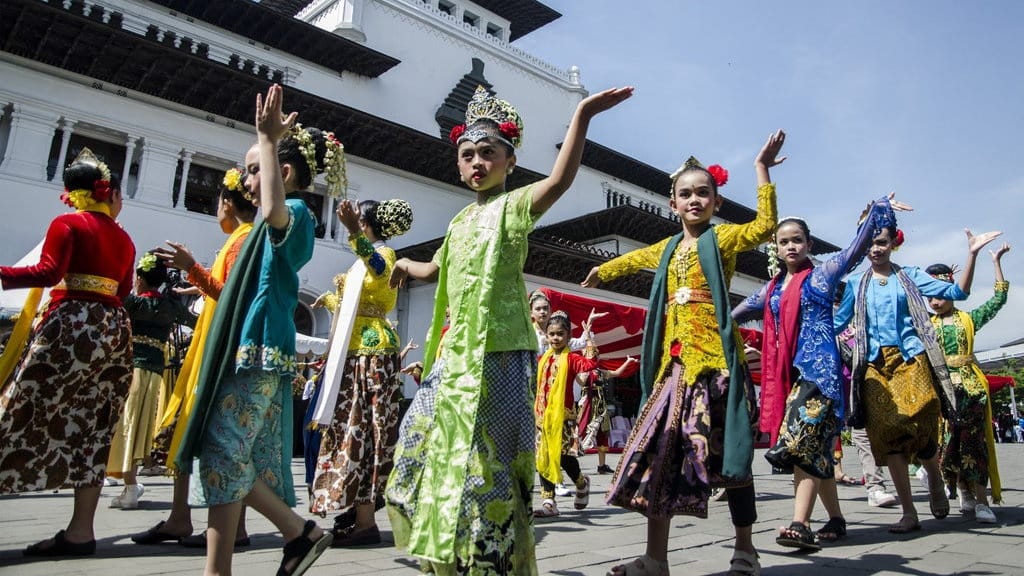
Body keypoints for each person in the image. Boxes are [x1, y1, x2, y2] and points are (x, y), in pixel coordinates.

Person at [385, 84, 632, 574]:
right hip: (454, 356)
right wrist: (402, 262)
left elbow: (560, 181)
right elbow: (435, 271)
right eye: (468, 154)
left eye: (488, 153)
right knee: (417, 445)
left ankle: (490, 560)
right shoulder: (458, 222)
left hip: (499, 351)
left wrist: (580, 116)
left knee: (487, 465)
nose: (477, 162)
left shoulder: (515, 206)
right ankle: (448, 548)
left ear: (510, 160)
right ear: (458, 164)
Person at [581, 130, 786, 576]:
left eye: (703, 193)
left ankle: (745, 549)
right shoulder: (668, 248)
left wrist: (762, 171)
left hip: (716, 368)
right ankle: (656, 559)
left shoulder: (724, 240)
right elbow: (633, 261)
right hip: (673, 371)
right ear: (672, 203)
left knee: (732, 461)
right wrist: (601, 269)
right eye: (685, 194)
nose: (694, 200)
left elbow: (764, 228)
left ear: (715, 201)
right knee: (660, 459)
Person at [174, 84, 344, 576]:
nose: (245, 181)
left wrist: (266, 141)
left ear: (282, 172)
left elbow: (272, 211)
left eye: (252, 170)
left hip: (261, 350)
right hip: (247, 349)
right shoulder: (257, 234)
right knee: (228, 455)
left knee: (223, 449)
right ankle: (220, 568)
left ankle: (298, 531)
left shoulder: (295, 216)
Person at [733, 195, 904, 552]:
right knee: (819, 451)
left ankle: (801, 524)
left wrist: (876, 210)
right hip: (790, 376)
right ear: (775, 249)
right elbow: (737, 313)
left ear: (809, 244)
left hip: (821, 375)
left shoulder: (824, 274)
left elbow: (857, 248)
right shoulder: (774, 288)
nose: (791, 245)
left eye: (797, 239)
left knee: (800, 445)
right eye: (784, 241)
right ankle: (837, 520)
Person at [0, 150, 135, 556]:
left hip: (70, 324)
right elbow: (124, 290)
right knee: (95, 424)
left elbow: (48, 273)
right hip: (113, 331)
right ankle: (80, 531)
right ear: (106, 192)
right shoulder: (124, 238)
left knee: (20, 409)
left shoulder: (67, 223)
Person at [834, 226, 1001, 533]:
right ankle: (909, 512)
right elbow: (837, 322)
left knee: (924, 412)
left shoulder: (908, 275)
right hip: (875, 364)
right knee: (889, 434)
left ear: (892, 244)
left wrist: (973, 253)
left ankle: (934, 475)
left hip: (912, 357)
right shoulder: (856, 282)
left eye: (881, 242)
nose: (875, 249)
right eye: (869, 244)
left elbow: (957, 293)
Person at [132, 167, 258, 548]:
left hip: (217, 349)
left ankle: (223, 524)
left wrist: (192, 268)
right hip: (212, 345)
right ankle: (182, 516)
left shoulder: (242, 240)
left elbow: (230, 295)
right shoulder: (240, 238)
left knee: (207, 432)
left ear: (226, 203)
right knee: (191, 430)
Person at [307, 197, 413, 547]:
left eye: (358, 219)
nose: (354, 222)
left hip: (373, 352)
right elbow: (360, 299)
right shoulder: (362, 257)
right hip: (353, 351)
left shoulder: (387, 254)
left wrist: (353, 231)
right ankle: (356, 510)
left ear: (368, 222)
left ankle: (366, 518)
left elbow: (380, 271)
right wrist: (332, 301)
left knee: (366, 429)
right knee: (351, 428)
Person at [929, 242, 1011, 524]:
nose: (936, 301)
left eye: (940, 294)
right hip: (942, 393)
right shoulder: (925, 325)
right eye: (931, 296)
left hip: (972, 390)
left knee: (975, 445)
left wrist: (996, 262)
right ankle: (964, 492)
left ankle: (982, 500)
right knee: (949, 446)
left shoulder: (968, 319)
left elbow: (998, 301)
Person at [106, 251, 190, 509]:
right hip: (155, 376)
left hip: (129, 372)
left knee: (122, 426)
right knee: (138, 428)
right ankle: (130, 485)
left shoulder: (132, 304)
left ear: (140, 279)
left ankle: (130, 486)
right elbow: (195, 322)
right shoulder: (169, 306)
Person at [534, 311, 599, 518]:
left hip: (563, 418)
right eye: (551, 334)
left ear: (568, 336)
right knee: (543, 457)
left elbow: (591, 364)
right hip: (542, 419)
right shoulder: (542, 359)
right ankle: (548, 502)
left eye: (560, 334)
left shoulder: (571, 359)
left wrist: (588, 339)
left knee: (563, 458)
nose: (555, 338)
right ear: (546, 335)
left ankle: (581, 482)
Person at [578, 357, 639, 474]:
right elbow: (581, 382)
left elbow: (617, 373)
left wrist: (628, 361)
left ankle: (602, 465)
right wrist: (576, 373)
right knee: (580, 433)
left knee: (603, 435)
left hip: (601, 409)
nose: (594, 358)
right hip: (587, 409)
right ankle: (569, 462)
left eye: (595, 356)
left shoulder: (601, 372)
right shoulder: (583, 372)